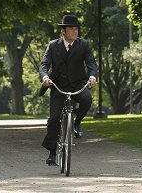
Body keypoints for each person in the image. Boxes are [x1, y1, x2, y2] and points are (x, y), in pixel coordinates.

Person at [39, 14, 98, 166]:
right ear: (63, 31)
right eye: (71, 29)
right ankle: (52, 153)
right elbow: (44, 65)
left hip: (78, 83)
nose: (74, 31)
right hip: (59, 85)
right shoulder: (53, 45)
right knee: (54, 118)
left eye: (76, 29)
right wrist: (45, 77)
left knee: (87, 99)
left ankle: (76, 122)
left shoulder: (84, 44)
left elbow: (91, 63)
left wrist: (92, 77)